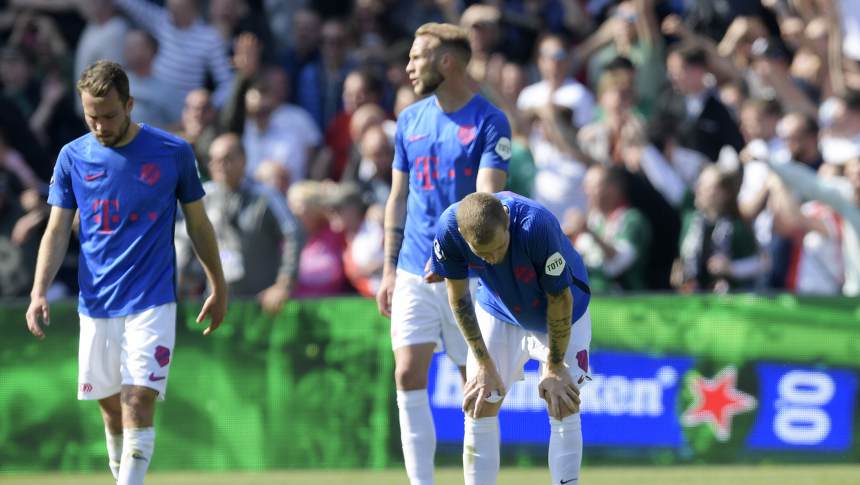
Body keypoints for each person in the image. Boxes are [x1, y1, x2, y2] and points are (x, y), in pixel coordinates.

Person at [24, 60, 227, 485]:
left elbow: (199, 224)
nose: (99, 125)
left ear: (130, 103)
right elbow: (58, 230)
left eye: (110, 115)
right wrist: (38, 290)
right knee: (111, 410)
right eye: (91, 116)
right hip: (95, 303)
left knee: (138, 401)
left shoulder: (173, 152)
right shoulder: (71, 157)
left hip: (152, 300)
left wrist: (217, 282)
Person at [375, 22, 510, 485]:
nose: (409, 66)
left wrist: (452, 251)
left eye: (417, 57)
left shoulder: (490, 122)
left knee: (477, 386)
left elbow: (485, 203)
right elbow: (398, 198)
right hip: (413, 269)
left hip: (469, 277)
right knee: (407, 372)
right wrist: (389, 269)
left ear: (446, 61)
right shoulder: (409, 121)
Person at [430, 191, 591, 485]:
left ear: (506, 219)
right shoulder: (449, 229)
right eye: (482, 254)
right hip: (499, 307)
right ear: (464, 239)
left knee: (563, 401)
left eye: (499, 247)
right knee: (479, 399)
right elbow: (458, 296)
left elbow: (560, 299)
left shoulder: (536, 226)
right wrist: (483, 364)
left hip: (563, 308)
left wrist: (555, 367)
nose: (493, 258)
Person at [175, 133, 304, 315]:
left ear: (244, 160)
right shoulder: (203, 196)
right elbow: (184, 239)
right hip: (215, 303)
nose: (220, 165)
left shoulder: (265, 196)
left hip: (261, 305)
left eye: (227, 159)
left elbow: (294, 233)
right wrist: (178, 278)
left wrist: (284, 283)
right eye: (214, 160)